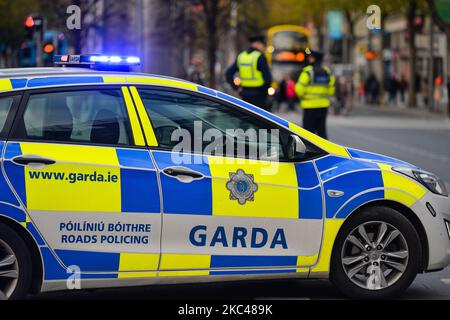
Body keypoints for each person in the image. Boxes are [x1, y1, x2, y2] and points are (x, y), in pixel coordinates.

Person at [295, 49, 335, 139]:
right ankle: (326, 151)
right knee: (322, 132)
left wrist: (302, 97)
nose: (309, 59)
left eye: (311, 57)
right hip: (323, 106)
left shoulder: (308, 72)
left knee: (308, 134)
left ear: (314, 59)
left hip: (309, 106)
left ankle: (308, 152)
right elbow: (331, 90)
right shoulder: (327, 72)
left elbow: (299, 89)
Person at [225, 35, 272, 110]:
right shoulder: (260, 57)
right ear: (258, 44)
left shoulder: (241, 56)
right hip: (259, 95)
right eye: (263, 45)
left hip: (245, 94)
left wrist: (236, 88)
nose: (263, 48)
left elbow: (228, 74)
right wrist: (264, 92)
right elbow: (268, 79)